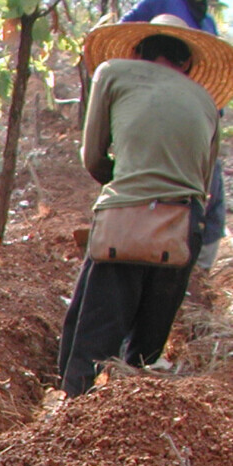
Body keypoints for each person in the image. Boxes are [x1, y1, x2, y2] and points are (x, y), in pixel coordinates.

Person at [59, 17, 232, 395]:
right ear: (186, 65)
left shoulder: (113, 72)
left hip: (125, 213)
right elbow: (205, 186)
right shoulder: (205, 100)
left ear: (137, 52)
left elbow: (92, 158)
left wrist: (126, 182)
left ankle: (72, 403)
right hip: (184, 224)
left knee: (90, 336)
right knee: (145, 349)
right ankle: (131, 402)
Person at [122, 0, 227, 271]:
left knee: (211, 209)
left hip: (198, 124)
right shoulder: (161, 2)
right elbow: (126, 33)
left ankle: (196, 278)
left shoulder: (207, 21)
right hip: (157, 120)